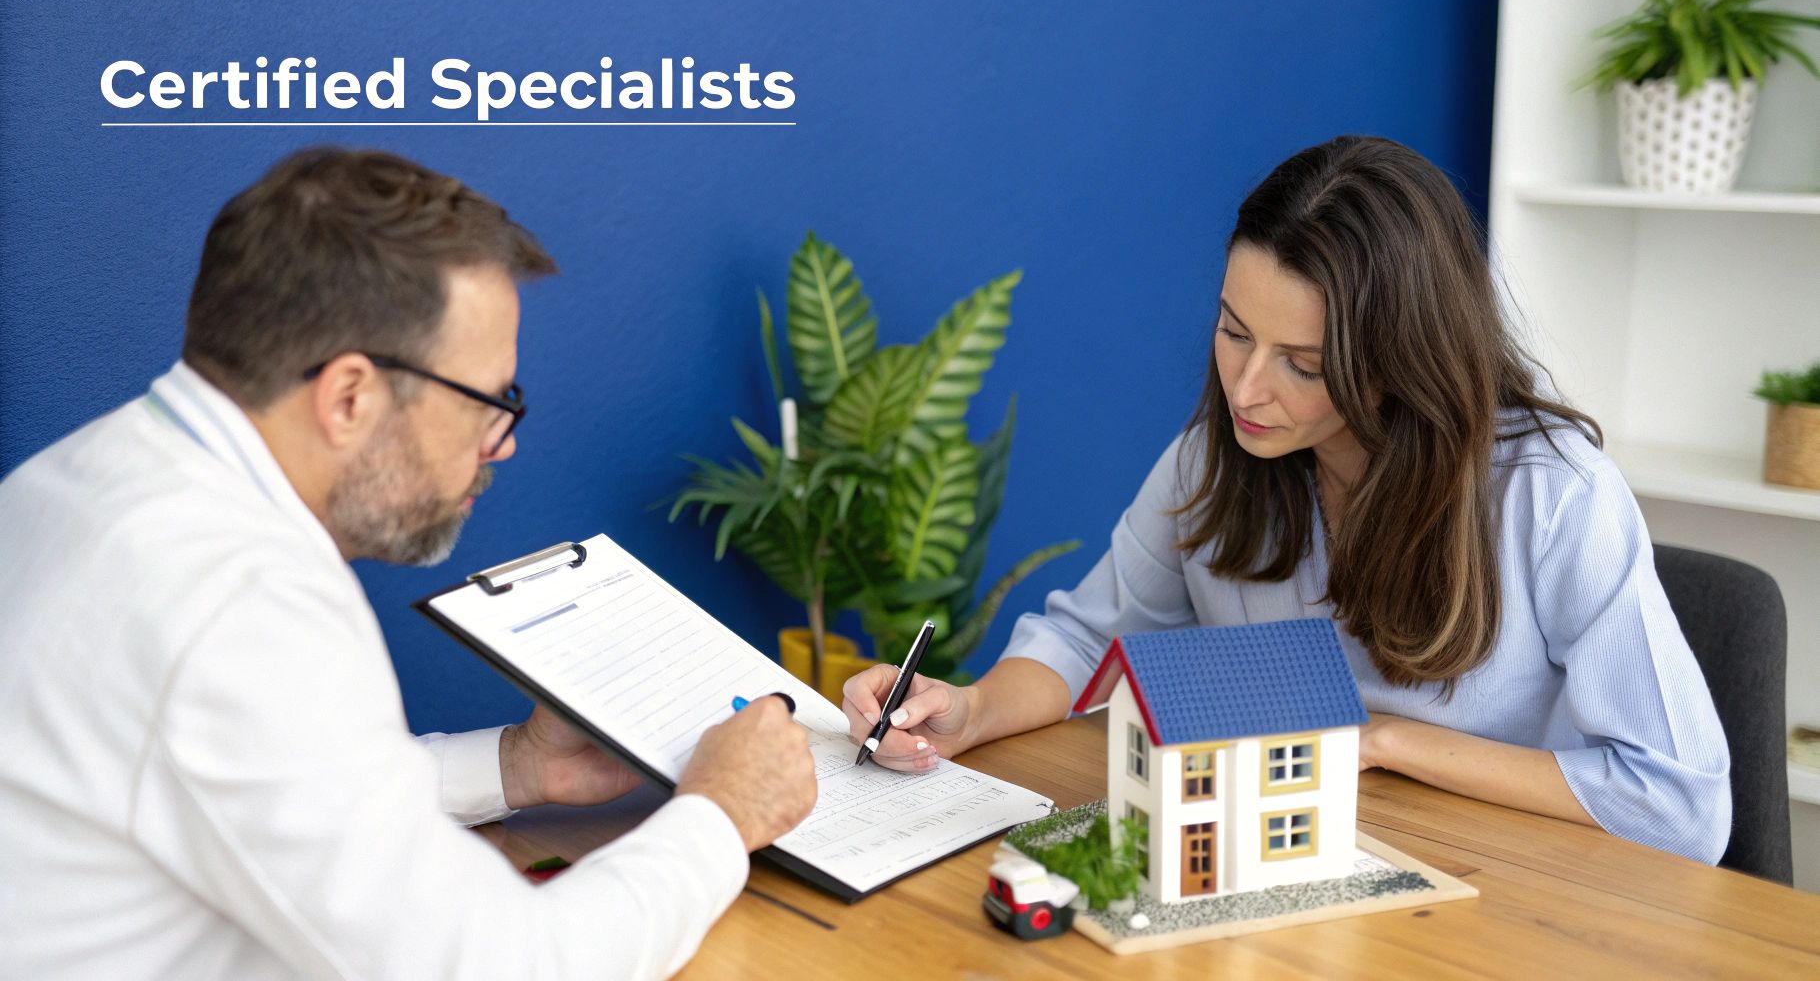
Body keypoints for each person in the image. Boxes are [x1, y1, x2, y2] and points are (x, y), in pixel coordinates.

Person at [0, 147, 818, 979]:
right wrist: (721, 813)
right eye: (488, 403)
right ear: (349, 397)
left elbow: (270, 800)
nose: (504, 443)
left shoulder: (75, 481)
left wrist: (516, 767)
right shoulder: (240, 599)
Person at [842, 135, 1731, 865]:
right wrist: (971, 711)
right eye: (1234, 332)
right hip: (1282, 863)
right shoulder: (1211, 464)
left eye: (1302, 364)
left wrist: (1379, 740)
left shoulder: (1554, 497)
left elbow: (1680, 804)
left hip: (1502, 889)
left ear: (1399, 360)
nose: (1246, 389)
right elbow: (1086, 637)